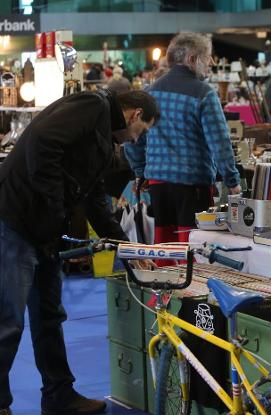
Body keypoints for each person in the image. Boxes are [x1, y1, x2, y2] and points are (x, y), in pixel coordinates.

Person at [0, 89, 159, 415]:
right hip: (15, 220)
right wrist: (55, 206)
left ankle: (59, 395)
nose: (135, 140)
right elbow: (43, 143)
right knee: (8, 322)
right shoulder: (93, 106)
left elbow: (96, 203)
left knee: (49, 317)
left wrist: (126, 249)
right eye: (141, 132)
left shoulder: (102, 142)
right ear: (135, 116)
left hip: (42, 230)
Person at [125, 32, 241, 250]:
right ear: (191, 59)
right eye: (207, 58)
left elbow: (132, 139)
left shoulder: (149, 92)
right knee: (193, 250)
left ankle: (163, 284)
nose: (210, 64)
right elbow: (220, 142)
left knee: (165, 247)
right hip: (192, 185)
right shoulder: (204, 93)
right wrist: (232, 181)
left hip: (158, 185)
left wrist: (141, 171)